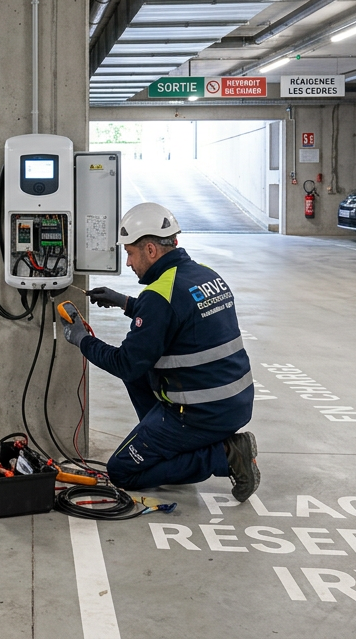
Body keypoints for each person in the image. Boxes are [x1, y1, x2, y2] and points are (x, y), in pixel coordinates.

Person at [57, 202, 259, 501]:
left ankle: (226, 454)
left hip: (198, 413)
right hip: (234, 402)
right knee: (140, 374)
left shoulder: (158, 296)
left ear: (151, 250)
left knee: (123, 471)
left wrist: (81, 339)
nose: (128, 263)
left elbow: (126, 363)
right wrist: (125, 302)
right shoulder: (205, 274)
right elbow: (176, 316)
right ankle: (171, 443)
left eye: (129, 253)